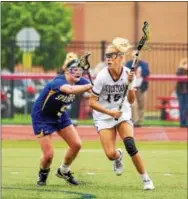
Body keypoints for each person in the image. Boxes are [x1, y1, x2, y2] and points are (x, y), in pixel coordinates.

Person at [89, 37, 154, 190]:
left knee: (130, 145)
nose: (108, 59)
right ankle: (118, 157)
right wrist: (109, 112)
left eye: (111, 56)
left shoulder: (128, 74)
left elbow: (131, 101)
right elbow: (92, 102)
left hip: (123, 113)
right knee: (110, 154)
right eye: (107, 56)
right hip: (104, 116)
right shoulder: (102, 76)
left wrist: (130, 83)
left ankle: (146, 179)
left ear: (120, 58)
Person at [31, 55, 92, 186]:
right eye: (74, 69)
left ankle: (63, 170)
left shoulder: (81, 81)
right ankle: (43, 172)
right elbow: (70, 89)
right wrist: (89, 87)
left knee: (76, 145)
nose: (78, 72)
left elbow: (97, 87)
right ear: (66, 71)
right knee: (48, 156)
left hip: (60, 114)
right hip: (42, 117)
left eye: (80, 69)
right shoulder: (58, 82)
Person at [125, 51, 150, 127]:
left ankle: (140, 122)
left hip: (141, 87)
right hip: (132, 87)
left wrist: (139, 72)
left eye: (136, 56)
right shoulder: (128, 64)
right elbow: (125, 73)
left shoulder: (144, 64)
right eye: (133, 56)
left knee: (141, 105)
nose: (135, 58)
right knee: (133, 104)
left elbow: (147, 73)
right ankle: (134, 121)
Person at [176, 57, 188, 127]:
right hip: (180, 92)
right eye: (184, 64)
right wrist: (182, 68)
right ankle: (182, 123)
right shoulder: (179, 70)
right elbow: (179, 78)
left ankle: (185, 122)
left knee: (187, 107)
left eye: (186, 64)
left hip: (187, 92)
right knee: (181, 107)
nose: (186, 65)